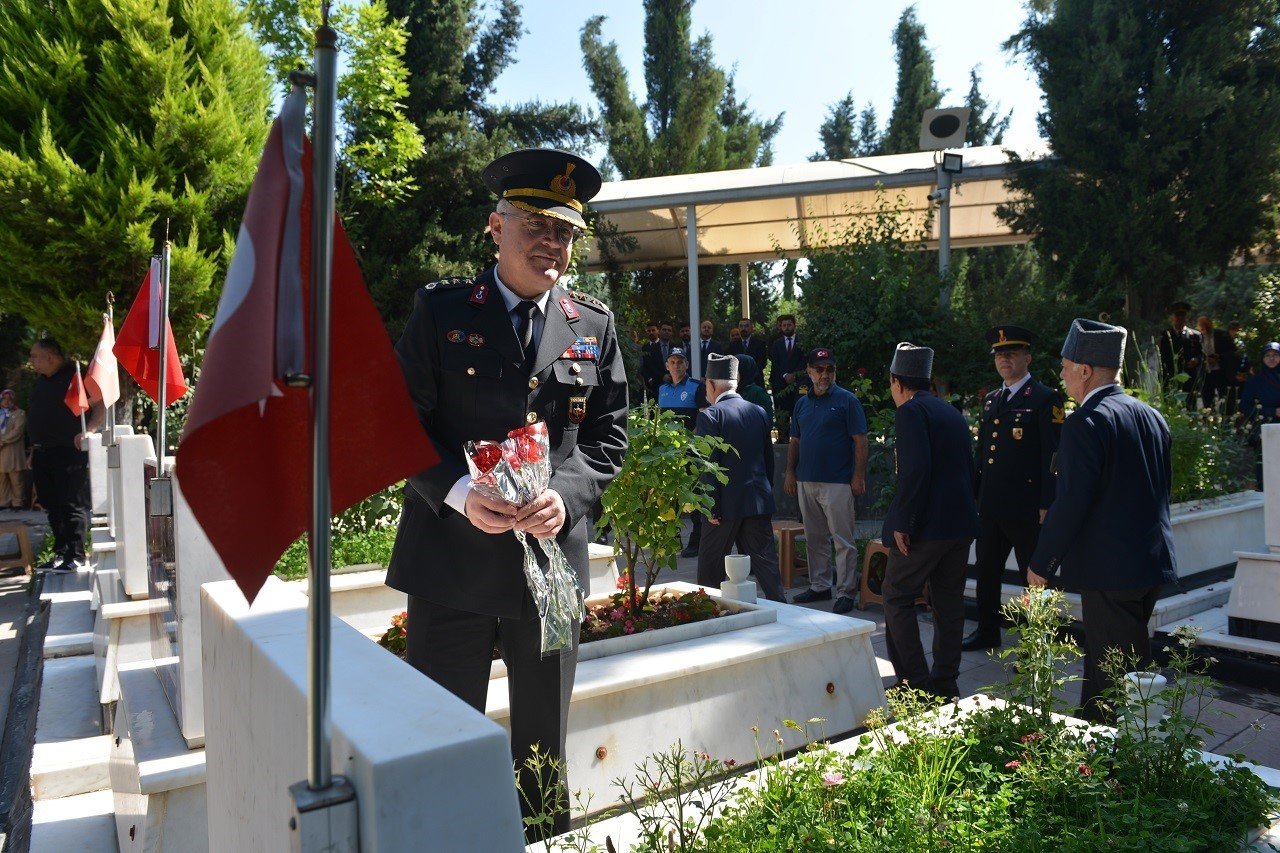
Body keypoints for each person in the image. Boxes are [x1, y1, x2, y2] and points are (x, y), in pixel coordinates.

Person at [387, 148, 628, 839]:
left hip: (548, 575)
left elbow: (608, 437)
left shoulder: (593, 326)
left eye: (565, 233)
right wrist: (460, 491)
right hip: (453, 567)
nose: (551, 243)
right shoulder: (441, 313)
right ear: (496, 227)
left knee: (544, 755)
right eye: (535, 225)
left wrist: (571, 497)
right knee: (442, 742)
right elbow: (400, 423)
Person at [1027, 319, 1176, 724]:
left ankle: (1117, 766)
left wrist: (1042, 563)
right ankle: (1096, 749)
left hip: (1111, 571)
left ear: (1086, 370)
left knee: (1118, 678)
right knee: (1110, 666)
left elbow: (1071, 502)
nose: (1060, 374)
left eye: (1065, 365)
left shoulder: (1086, 421)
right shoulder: (1150, 415)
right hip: (1148, 563)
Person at [880, 343, 981, 698]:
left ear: (897, 381)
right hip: (960, 525)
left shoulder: (910, 411)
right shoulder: (950, 411)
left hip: (925, 528)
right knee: (949, 603)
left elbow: (915, 471)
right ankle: (944, 683)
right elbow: (971, 470)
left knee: (896, 596)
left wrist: (903, 521)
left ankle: (915, 685)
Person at [963, 325, 1064, 652]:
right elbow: (983, 455)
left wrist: (1048, 500)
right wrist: (974, 497)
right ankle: (987, 631)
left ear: (1027, 357)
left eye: (1011, 353)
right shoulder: (992, 399)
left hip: (1027, 507)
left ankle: (1038, 645)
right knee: (986, 573)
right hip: (992, 506)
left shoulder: (1045, 398)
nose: (1004, 359)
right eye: (999, 354)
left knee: (1033, 578)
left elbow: (1053, 455)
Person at [694, 354, 788, 603]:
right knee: (767, 566)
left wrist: (710, 506)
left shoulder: (710, 416)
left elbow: (709, 466)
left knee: (710, 571)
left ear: (712, 385)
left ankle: (707, 618)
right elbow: (768, 460)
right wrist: (764, 495)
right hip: (757, 500)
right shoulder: (758, 412)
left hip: (723, 507)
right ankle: (784, 614)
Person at [784, 348, 868, 614]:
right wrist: (789, 472)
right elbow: (794, 441)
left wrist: (858, 476)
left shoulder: (847, 400)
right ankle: (820, 585)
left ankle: (845, 591)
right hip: (806, 479)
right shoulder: (802, 403)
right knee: (814, 537)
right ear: (809, 371)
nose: (825, 374)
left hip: (838, 481)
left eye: (829, 369)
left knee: (843, 540)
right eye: (819, 369)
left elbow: (861, 440)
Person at [27, 339, 102, 571]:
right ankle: (61, 553)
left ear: (50, 356)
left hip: (68, 452)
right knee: (51, 505)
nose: (31, 361)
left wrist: (89, 431)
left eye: (34, 356)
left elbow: (100, 405)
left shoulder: (75, 376)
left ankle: (77, 555)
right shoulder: (41, 382)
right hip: (42, 453)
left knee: (71, 504)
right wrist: (33, 451)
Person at [658, 348, 706, 557]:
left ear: (686, 365)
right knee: (669, 497)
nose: (676, 366)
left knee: (693, 496)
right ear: (667, 365)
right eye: (672, 362)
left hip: (689, 450)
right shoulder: (662, 389)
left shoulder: (697, 387)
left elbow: (704, 418)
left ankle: (697, 541)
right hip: (668, 453)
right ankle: (671, 540)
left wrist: (687, 442)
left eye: (680, 362)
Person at [1238, 341, 1280, 488]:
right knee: (1265, 465)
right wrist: (1271, 411)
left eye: (1275, 355)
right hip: (1264, 429)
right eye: (1267, 355)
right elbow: (1245, 406)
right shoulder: (1255, 381)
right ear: (1262, 358)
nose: (1271, 358)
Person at [1158, 302, 1201, 406]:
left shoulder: (1194, 335)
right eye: (1178, 315)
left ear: (1186, 317)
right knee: (1169, 404)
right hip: (1170, 375)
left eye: (1183, 315)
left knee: (1190, 404)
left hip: (1189, 375)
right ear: (1172, 317)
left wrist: (1196, 359)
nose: (1180, 318)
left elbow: (1200, 354)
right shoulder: (1164, 335)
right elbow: (1161, 356)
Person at [768, 314, 806, 432]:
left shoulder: (802, 341)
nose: (786, 327)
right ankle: (783, 439)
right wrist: (785, 375)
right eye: (784, 325)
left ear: (794, 325)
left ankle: (799, 437)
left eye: (789, 325)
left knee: (799, 410)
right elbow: (775, 362)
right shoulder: (776, 343)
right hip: (781, 383)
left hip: (799, 383)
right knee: (782, 412)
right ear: (781, 327)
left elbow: (804, 360)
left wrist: (794, 375)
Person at [1196, 315, 1236, 410]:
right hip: (1206, 373)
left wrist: (1219, 357)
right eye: (1202, 326)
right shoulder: (1198, 337)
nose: (1204, 328)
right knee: (1207, 399)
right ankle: (1209, 419)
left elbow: (1233, 352)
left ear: (1211, 324)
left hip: (1221, 372)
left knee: (1225, 399)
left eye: (1206, 325)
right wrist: (1203, 360)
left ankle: (1226, 420)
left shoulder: (1222, 335)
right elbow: (1196, 354)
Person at [0, 389, 27, 510]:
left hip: (12, 451)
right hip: (1, 452)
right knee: (2, 478)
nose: (6, 401)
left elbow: (17, 431)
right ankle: (4, 502)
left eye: (9, 399)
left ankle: (17, 503)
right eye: (4, 399)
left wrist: (2, 441)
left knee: (16, 479)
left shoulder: (20, 413)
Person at [732, 354, 773, 426]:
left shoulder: (758, 393)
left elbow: (766, 423)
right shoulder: (730, 392)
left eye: (735, 370)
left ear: (743, 371)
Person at [641, 322, 676, 398]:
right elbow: (650, 366)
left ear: (672, 333)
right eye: (664, 330)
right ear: (659, 331)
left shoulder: (676, 347)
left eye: (669, 330)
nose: (666, 332)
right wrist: (662, 376)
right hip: (657, 384)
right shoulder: (652, 348)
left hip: (675, 383)